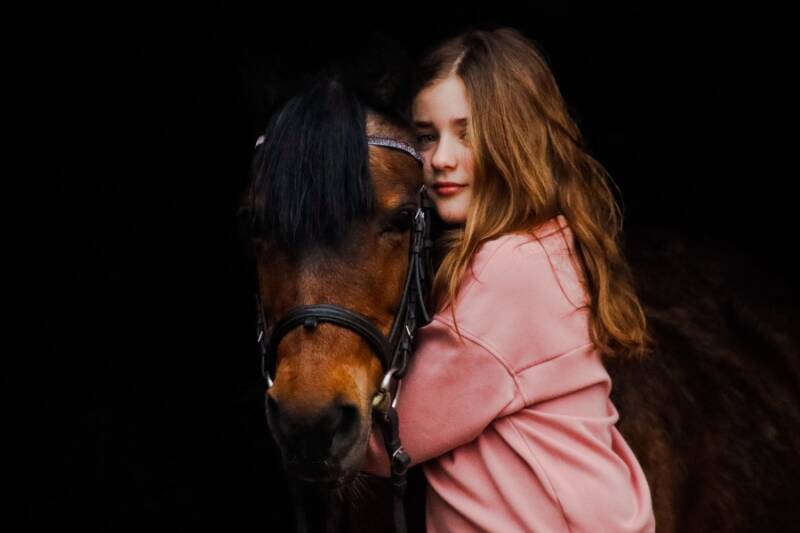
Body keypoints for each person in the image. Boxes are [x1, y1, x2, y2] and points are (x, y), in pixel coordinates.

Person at [360, 26, 657, 532]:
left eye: (467, 132)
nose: (441, 160)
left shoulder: (507, 272)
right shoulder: (547, 242)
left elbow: (389, 443)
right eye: (427, 136)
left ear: (513, 140)